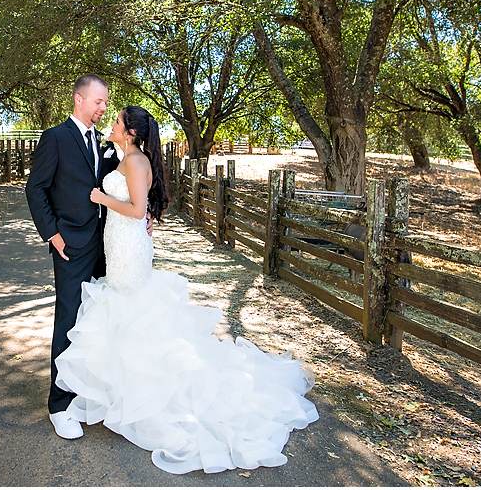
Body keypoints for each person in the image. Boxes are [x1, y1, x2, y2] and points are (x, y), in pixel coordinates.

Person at [54, 105, 319, 474]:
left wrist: (100, 199)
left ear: (130, 133)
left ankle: (146, 393)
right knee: (123, 312)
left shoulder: (136, 162)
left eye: (116, 121)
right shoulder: (125, 157)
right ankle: (122, 391)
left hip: (129, 246)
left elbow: (134, 209)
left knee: (131, 312)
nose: (110, 124)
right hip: (118, 244)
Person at [25, 75, 151, 440]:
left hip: (108, 246)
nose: (103, 109)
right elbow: (36, 189)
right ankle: (59, 405)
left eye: (106, 104)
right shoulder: (55, 137)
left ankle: (88, 393)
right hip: (72, 245)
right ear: (79, 99)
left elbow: (132, 184)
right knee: (68, 320)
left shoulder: (102, 142)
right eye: (98, 102)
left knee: (99, 321)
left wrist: (148, 215)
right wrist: (53, 234)